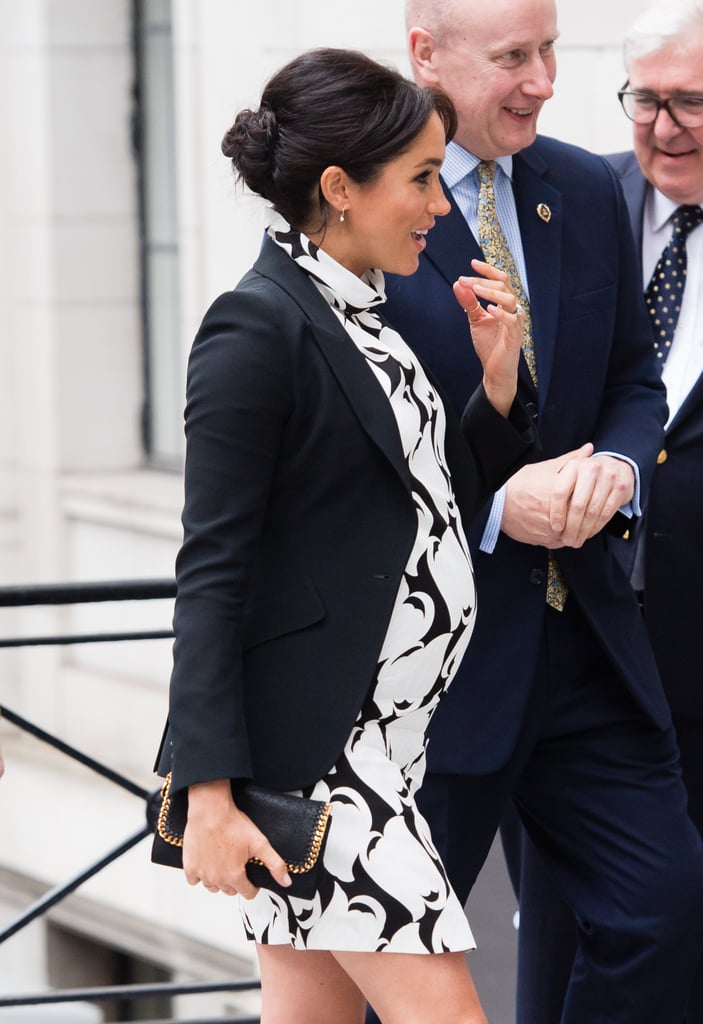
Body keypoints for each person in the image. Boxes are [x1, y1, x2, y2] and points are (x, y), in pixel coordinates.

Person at [154, 47, 539, 1024]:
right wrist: (205, 793)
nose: (439, 207)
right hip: (325, 763)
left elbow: (417, 506)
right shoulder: (256, 329)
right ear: (338, 188)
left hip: (385, 752)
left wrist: (496, 392)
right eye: (418, 179)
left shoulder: (360, 316)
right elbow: (211, 568)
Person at [366, 2, 703, 1022]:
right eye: (514, 58)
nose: (543, 80)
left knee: (661, 908)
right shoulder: (362, 205)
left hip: (591, 648)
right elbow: (354, 431)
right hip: (433, 663)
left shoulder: (586, 187)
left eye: (550, 52)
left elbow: (632, 379)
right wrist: (500, 502)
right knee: (398, 960)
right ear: (425, 55)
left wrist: (616, 466)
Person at [500, 2, 703, 1021]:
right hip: (579, 650)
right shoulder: (581, 197)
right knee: (565, 932)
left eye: (692, 104)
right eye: (646, 102)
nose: (665, 128)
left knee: (673, 928)